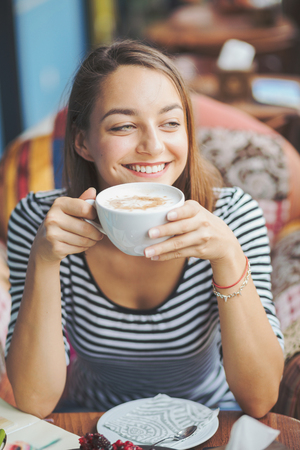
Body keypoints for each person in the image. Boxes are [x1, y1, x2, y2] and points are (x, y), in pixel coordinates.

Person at [5, 40, 284, 419]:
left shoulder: (232, 216)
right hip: (89, 421)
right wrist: (44, 260)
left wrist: (228, 255)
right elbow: (34, 402)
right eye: (123, 125)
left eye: (170, 123)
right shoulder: (43, 222)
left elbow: (261, 398)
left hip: (211, 419)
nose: (153, 146)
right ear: (83, 141)